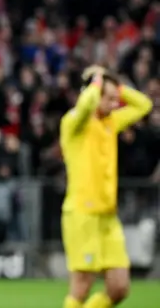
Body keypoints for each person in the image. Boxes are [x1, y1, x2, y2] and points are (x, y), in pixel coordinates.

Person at [60, 65, 153, 308]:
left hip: (108, 217)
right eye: (109, 99)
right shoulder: (73, 123)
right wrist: (97, 83)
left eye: (116, 99)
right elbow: (84, 107)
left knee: (120, 287)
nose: (115, 104)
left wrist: (117, 86)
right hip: (82, 214)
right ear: (93, 93)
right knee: (81, 286)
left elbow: (144, 105)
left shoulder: (111, 122)